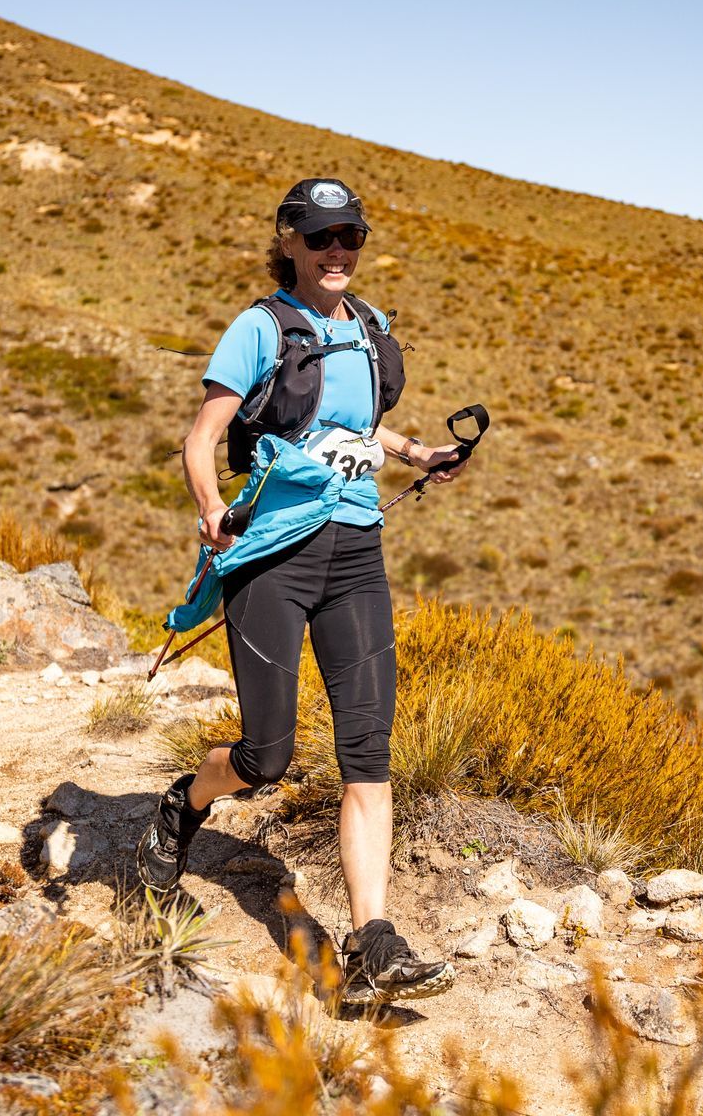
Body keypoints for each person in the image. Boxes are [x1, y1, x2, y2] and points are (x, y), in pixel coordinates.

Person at [136, 177, 467, 1005]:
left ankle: (372, 939)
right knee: (267, 756)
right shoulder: (257, 327)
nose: (337, 251)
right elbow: (203, 437)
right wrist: (213, 509)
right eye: (320, 237)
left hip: (357, 552)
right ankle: (185, 802)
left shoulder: (367, 328)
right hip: (273, 557)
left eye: (349, 235)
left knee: (369, 754)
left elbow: (354, 430)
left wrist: (417, 454)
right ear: (288, 240)